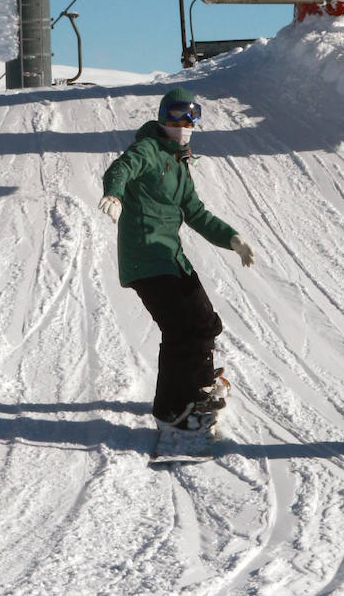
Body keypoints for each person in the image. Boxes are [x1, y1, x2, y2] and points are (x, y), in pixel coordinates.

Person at [99, 86, 255, 451]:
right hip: (145, 257)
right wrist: (114, 193)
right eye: (176, 116)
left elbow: (197, 214)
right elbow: (122, 168)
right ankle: (173, 410)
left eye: (191, 117)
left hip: (170, 257)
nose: (184, 124)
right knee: (181, 329)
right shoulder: (149, 150)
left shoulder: (181, 165)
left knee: (206, 323)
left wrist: (233, 238)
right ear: (162, 118)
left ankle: (197, 386)